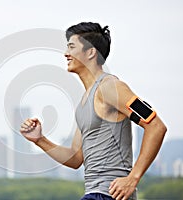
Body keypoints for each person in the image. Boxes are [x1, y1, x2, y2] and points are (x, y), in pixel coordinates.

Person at [20, 22, 167, 200]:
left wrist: (133, 178)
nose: (66, 53)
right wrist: (39, 140)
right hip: (93, 193)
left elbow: (156, 126)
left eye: (72, 47)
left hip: (109, 194)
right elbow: (75, 159)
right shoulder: (84, 102)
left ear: (91, 52)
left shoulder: (111, 88)